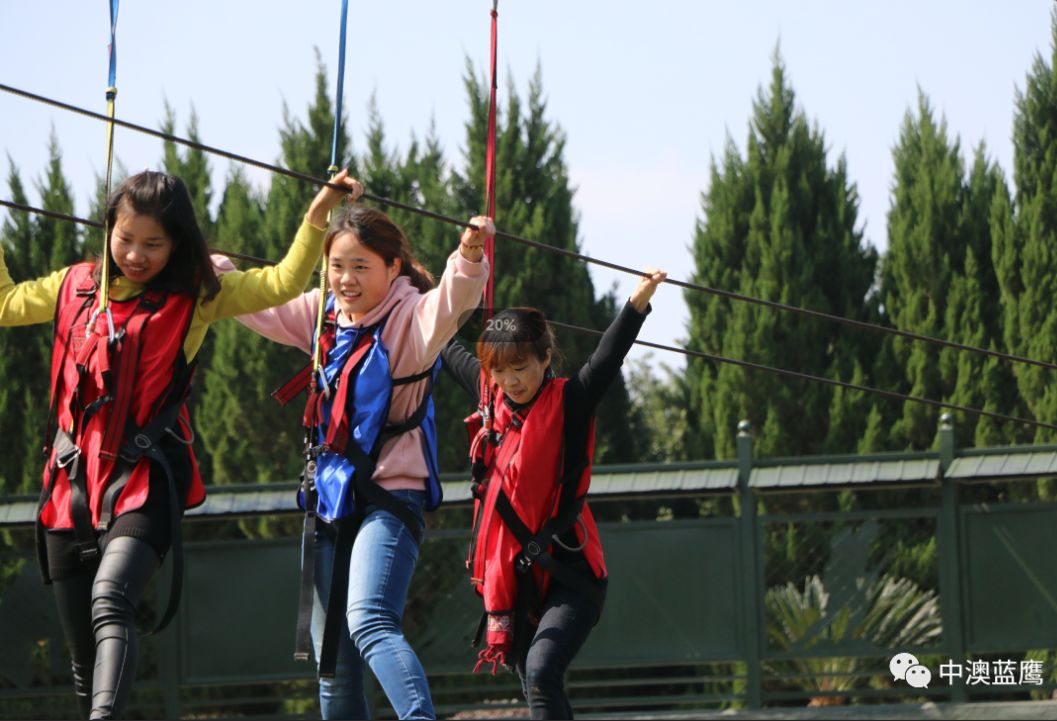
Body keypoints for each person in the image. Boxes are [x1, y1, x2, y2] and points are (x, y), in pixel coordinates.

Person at [0, 167, 361, 719]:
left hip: (143, 481)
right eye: (126, 240)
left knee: (110, 598)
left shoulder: (198, 296)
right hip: (69, 489)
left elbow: (284, 283)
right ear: (107, 232)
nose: (137, 255)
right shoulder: (73, 285)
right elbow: (4, 304)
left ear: (178, 244)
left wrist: (318, 214)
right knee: (81, 661)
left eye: (154, 244)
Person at [216, 207, 494, 720]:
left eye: (361, 267)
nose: (346, 280)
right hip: (329, 502)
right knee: (333, 667)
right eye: (337, 266)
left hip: (391, 497)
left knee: (369, 621)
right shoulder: (320, 316)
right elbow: (261, 307)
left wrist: (469, 256)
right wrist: (217, 274)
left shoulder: (412, 320)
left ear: (394, 267)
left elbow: (452, 304)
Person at [440, 268, 667, 720]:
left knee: (542, 672)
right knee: (535, 685)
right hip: (517, 583)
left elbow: (607, 359)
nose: (511, 381)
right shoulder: (491, 405)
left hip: (570, 574)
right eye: (499, 370)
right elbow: (445, 346)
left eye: (521, 367)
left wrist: (637, 303)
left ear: (546, 359)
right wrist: (417, 291)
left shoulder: (571, 402)